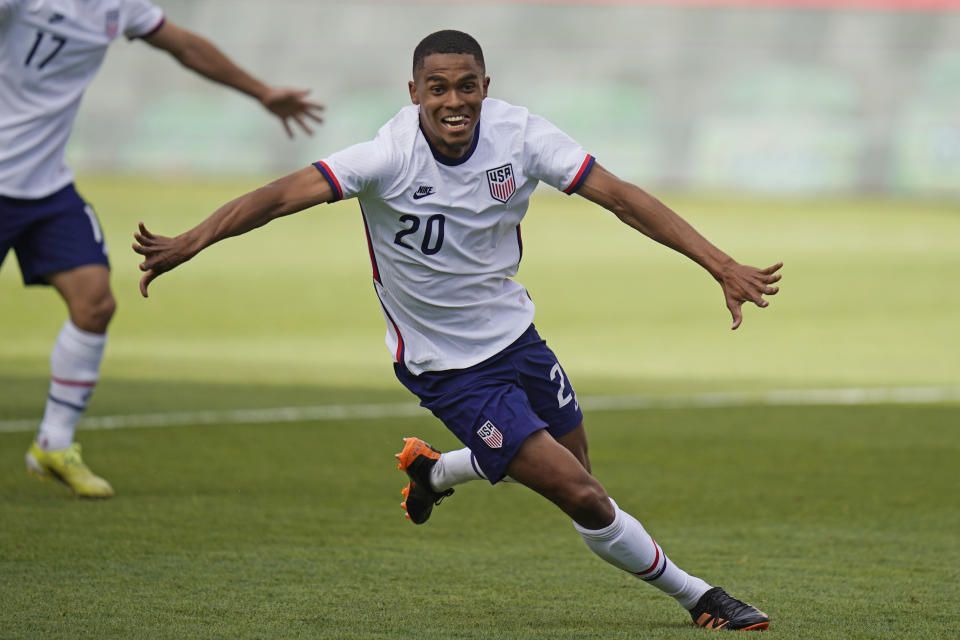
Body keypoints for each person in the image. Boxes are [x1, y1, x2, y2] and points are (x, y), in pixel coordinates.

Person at [133, 30, 781, 631]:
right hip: (445, 366)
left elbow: (619, 195)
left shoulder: (520, 136)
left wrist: (719, 264)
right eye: (437, 87)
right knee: (582, 495)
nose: (453, 100)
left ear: (485, 87)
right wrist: (194, 240)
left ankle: (435, 473)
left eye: (466, 85)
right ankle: (700, 597)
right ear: (414, 93)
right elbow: (277, 197)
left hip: (517, 340)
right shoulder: (386, 156)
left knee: (581, 474)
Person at [1, 0, 324, 499]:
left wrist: (263, 93)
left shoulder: (117, 6)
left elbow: (187, 47)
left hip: (46, 188)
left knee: (95, 303)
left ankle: (52, 444)